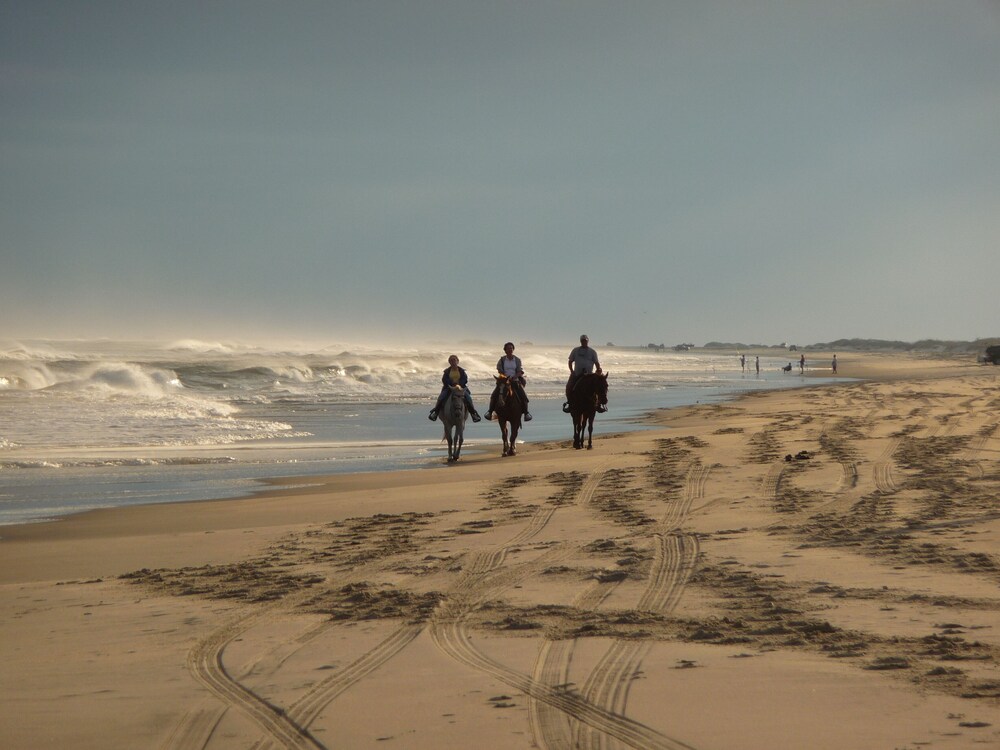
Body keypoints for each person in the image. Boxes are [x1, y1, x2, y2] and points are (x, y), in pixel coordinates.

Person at [485, 342, 532, 422]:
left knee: (523, 396)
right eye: (508, 348)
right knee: (494, 395)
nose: (510, 349)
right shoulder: (502, 360)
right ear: (505, 350)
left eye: (511, 348)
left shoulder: (517, 360)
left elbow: (519, 370)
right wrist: (505, 377)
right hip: (504, 381)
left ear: (513, 349)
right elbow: (499, 370)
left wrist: (514, 377)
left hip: (514, 380)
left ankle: (526, 413)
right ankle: (490, 412)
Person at [428, 354, 481, 422]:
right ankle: (435, 412)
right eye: (451, 361)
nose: (453, 362)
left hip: (460, 388)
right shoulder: (447, 371)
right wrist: (451, 383)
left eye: (454, 360)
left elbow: (465, 379)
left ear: (457, 361)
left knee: (468, 398)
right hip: (449, 388)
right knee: (441, 397)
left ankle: (473, 414)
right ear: (449, 362)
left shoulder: (461, 371)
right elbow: (444, 379)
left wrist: (459, 384)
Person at [564, 334, 606, 413]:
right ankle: (570, 403)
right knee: (569, 386)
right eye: (583, 341)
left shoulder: (592, 352)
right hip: (577, 374)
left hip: (589, 375)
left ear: (587, 341)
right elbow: (570, 361)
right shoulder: (575, 350)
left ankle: (599, 404)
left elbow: (597, 363)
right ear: (580, 341)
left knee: (599, 387)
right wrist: (572, 371)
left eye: (585, 341)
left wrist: (598, 371)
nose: (584, 342)